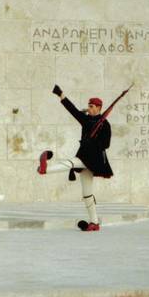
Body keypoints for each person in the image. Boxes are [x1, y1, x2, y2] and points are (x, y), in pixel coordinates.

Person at [37, 84, 113, 232]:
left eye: (92, 106)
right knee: (87, 194)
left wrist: (94, 139)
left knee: (71, 163)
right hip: (85, 156)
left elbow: (106, 144)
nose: (89, 108)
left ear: (98, 108)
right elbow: (72, 110)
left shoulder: (105, 124)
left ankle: (45, 169)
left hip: (94, 158)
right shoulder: (86, 120)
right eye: (89, 106)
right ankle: (94, 223)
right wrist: (61, 95)